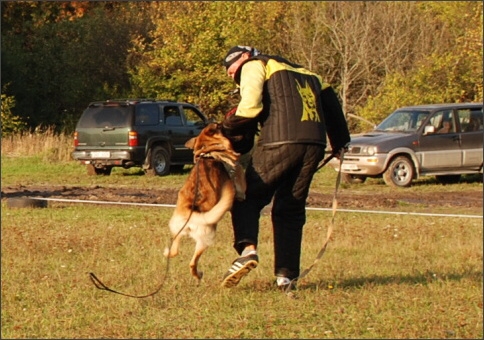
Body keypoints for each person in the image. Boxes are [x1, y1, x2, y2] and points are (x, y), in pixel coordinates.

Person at [220, 45, 351, 292]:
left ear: (245, 57)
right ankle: (286, 278)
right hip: (314, 144)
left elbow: (250, 108)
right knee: (290, 208)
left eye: (231, 67)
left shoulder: (255, 65)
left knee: (247, 198)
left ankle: (247, 251)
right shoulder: (310, 74)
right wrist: (341, 141)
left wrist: (225, 129)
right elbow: (332, 107)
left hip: (280, 140)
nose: (230, 73)